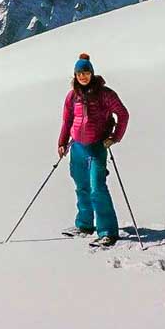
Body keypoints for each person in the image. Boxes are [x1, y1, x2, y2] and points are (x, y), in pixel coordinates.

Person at [57, 53, 129, 247]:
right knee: (81, 186)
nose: (83, 76)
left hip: (97, 146)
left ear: (92, 73)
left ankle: (107, 231)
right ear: (75, 75)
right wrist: (62, 142)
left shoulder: (105, 94)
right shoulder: (72, 96)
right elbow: (67, 121)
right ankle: (85, 225)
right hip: (77, 147)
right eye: (79, 73)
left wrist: (114, 138)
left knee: (97, 188)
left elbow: (123, 114)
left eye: (86, 72)